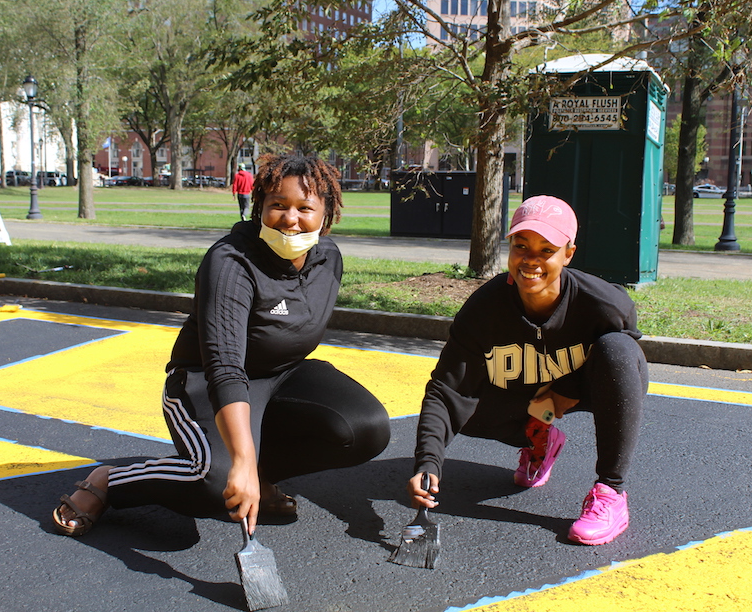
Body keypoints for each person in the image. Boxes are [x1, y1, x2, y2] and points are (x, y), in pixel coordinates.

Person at [53, 153, 391, 536]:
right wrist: (242, 460)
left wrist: (252, 467)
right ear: (259, 206)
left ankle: (256, 476)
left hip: (282, 377)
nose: (290, 219)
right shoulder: (231, 261)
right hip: (205, 381)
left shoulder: (328, 258)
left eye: (304, 208)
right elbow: (225, 366)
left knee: (367, 428)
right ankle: (110, 482)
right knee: (214, 484)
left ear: (326, 215)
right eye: (277, 205)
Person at [406, 195, 647, 546]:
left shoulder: (605, 303)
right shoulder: (484, 308)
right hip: (524, 390)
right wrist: (427, 462)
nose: (530, 260)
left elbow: (626, 362)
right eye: (521, 246)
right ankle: (539, 439)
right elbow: (447, 389)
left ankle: (611, 492)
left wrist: (568, 388)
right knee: (464, 412)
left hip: (586, 388)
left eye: (546, 250)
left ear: (569, 253)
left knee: (617, 349)